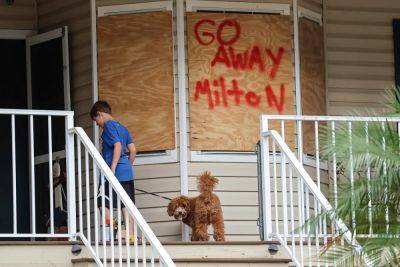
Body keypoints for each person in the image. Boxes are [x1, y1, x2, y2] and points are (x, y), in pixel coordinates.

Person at [90, 100, 137, 242]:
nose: (97, 124)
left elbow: (117, 146)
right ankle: (130, 237)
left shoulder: (108, 127)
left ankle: (113, 229)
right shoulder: (122, 128)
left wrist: (113, 169)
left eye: (95, 120)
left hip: (113, 173)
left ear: (99, 114)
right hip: (126, 173)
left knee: (102, 203)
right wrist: (126, 167)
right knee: (126, 206)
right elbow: (133, 150)